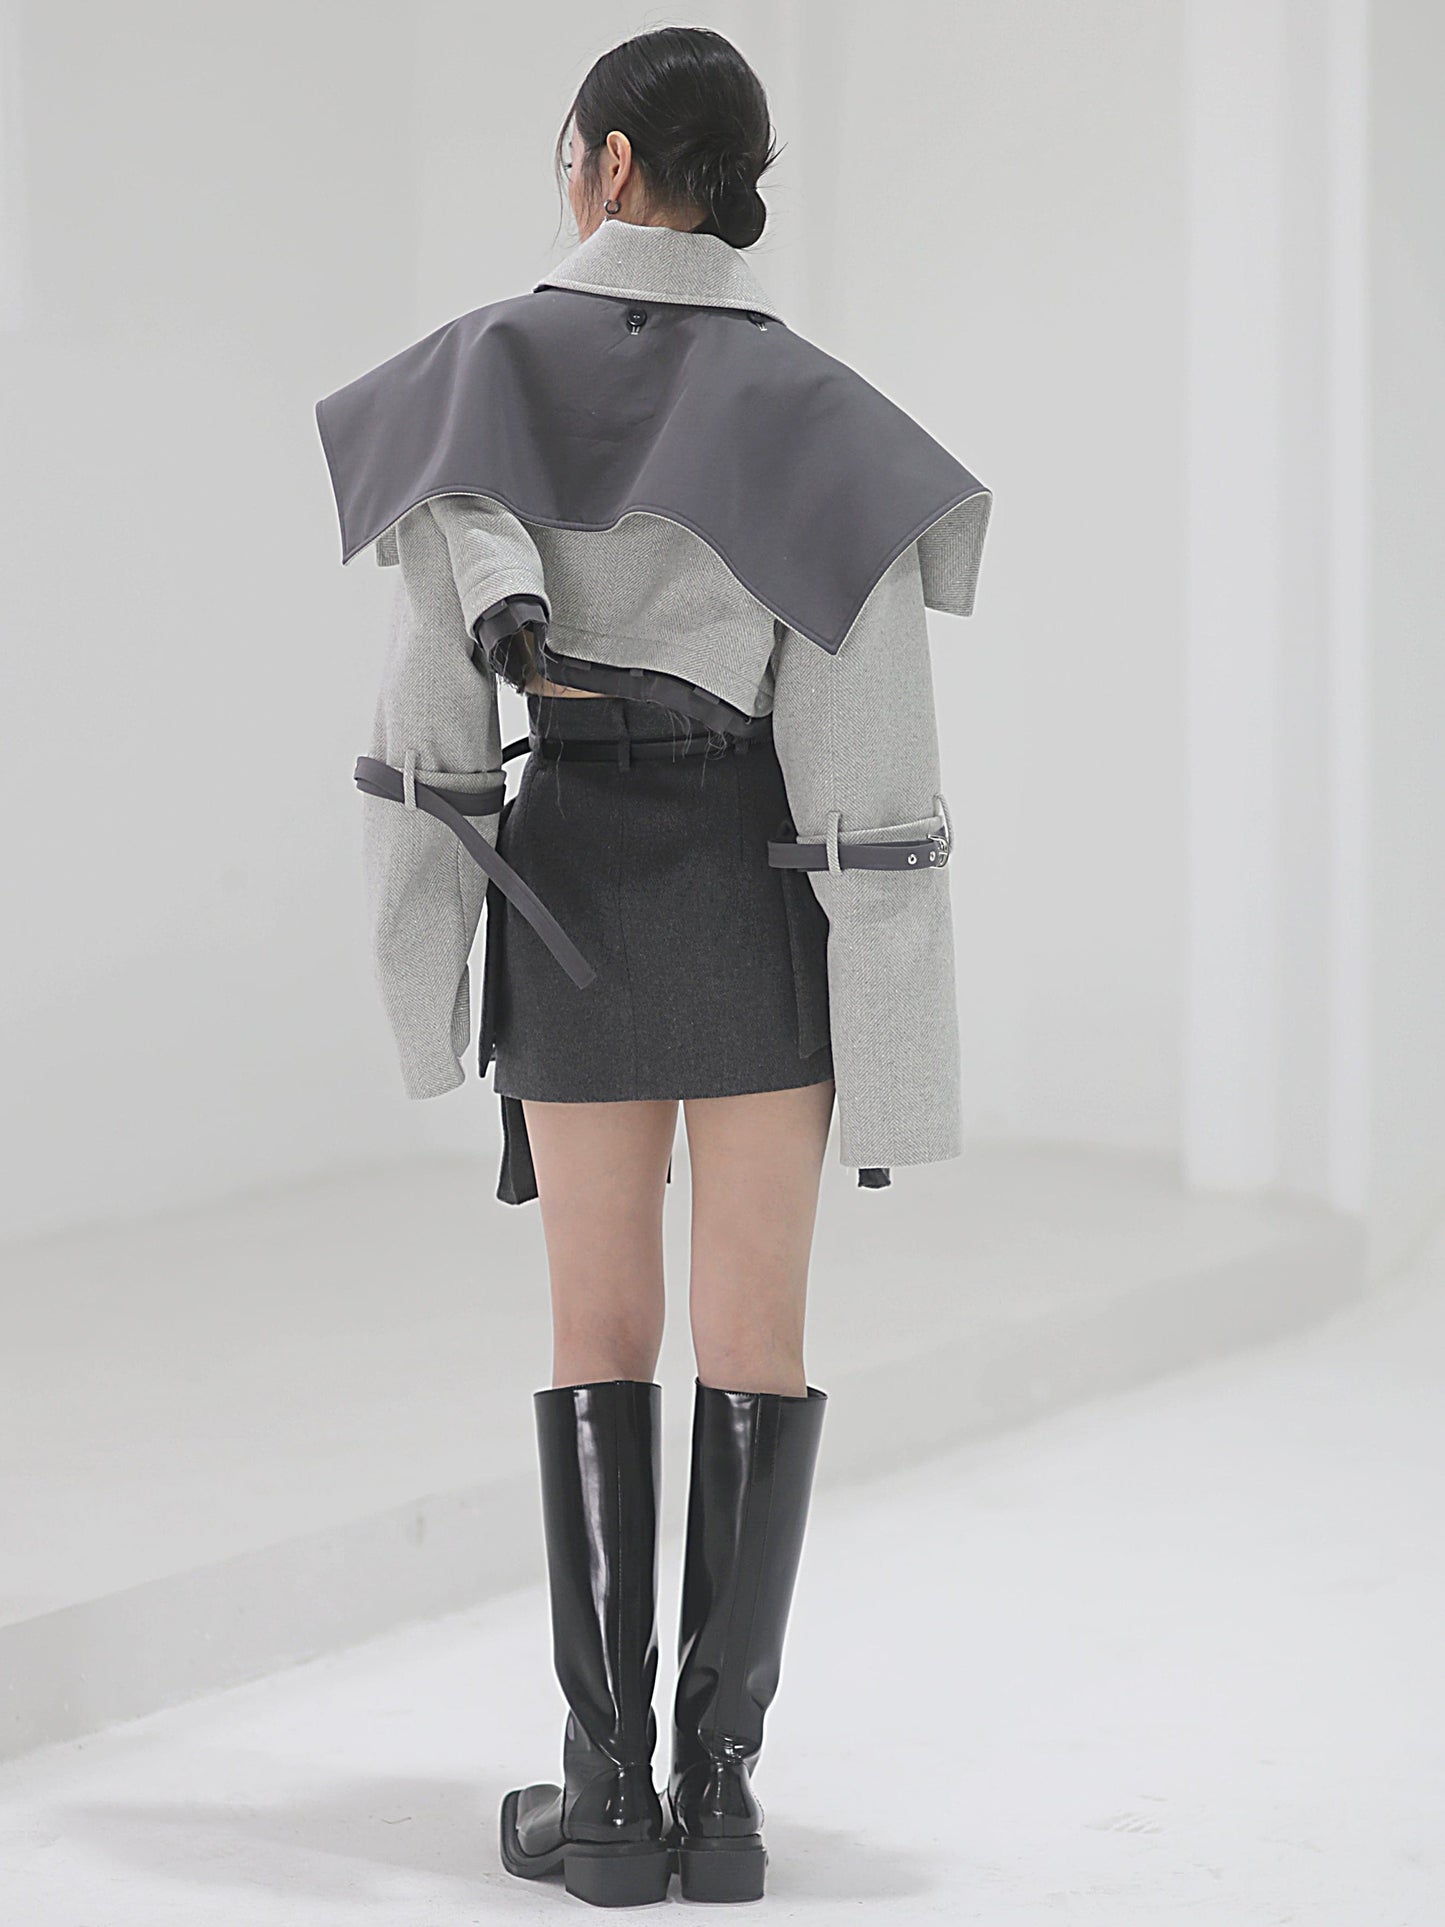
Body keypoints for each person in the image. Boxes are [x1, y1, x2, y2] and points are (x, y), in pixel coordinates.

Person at [315, 26, 991, 1907]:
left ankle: (606, 1800)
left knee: (594, 1336)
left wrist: (421, 979)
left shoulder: (479, 379)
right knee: (755, 1342)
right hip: (756, 898)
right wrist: (900, 1047)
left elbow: (429, 740)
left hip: (576, 906)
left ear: (608, 163)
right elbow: (872, 773)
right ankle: (726, 1800)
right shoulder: (822, 416)